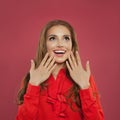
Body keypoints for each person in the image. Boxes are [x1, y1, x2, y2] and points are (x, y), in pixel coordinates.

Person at [16, 20, 104, 120]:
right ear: (44, 45)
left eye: (66, 38)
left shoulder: (85, 77)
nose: (60, 44)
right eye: (52, 38)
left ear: (72, 45)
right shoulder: (31, 78)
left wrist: (84, 86)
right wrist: (34, 84)